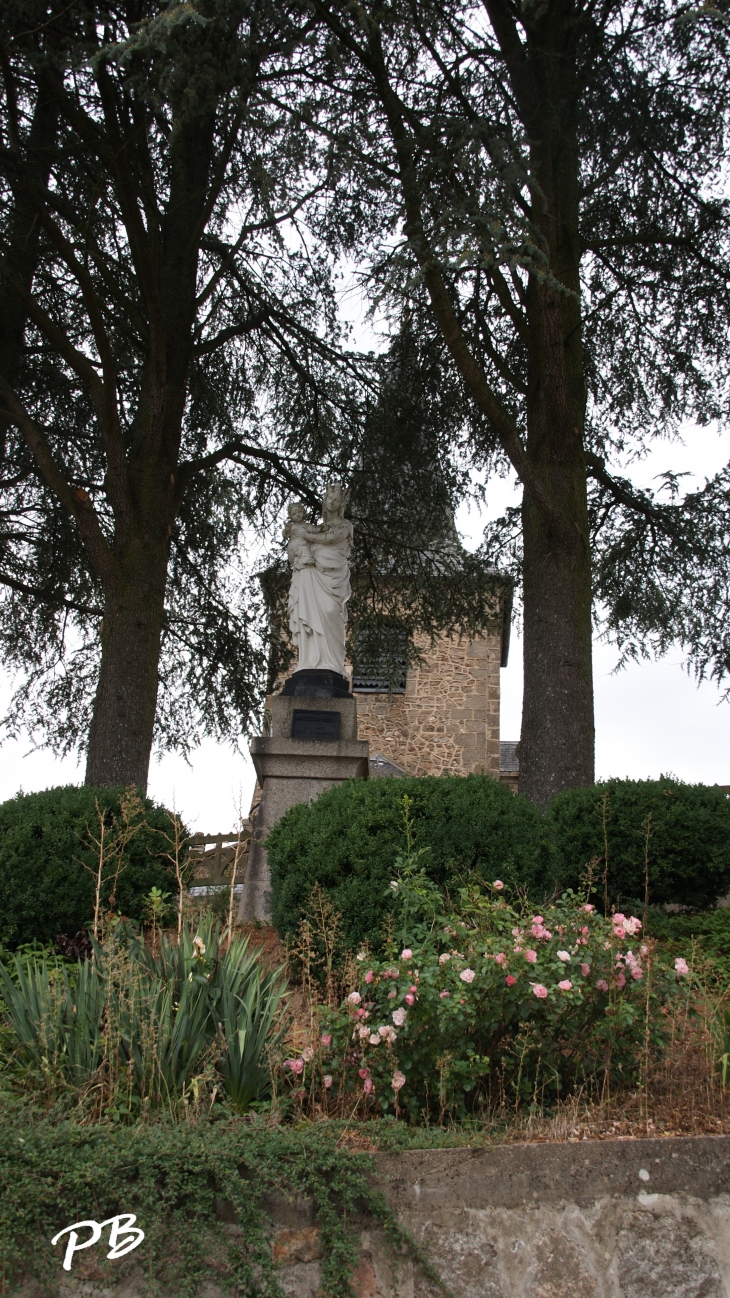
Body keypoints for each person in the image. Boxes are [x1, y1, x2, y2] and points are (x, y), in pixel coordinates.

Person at [287, 482, 353, 675]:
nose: (331, 502)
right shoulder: (313, 529)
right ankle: (310, 663)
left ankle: (332, 664)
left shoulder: (344, 525)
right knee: (309, 615)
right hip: (311, 576)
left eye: (336, 500)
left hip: (333, 578)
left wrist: (304, 534)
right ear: (324, 501)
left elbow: (330, 539)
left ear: (341, 504)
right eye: (329, 498)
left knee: (331, 610)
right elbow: (294, 550)